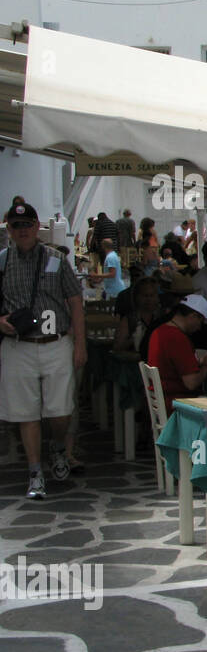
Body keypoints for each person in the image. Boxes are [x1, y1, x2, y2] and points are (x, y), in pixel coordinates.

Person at [0, 199, 87, 498]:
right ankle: (35, 471)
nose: (22, 230)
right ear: (9, 229)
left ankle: (58, 446)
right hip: (19, 345)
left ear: (38, 227)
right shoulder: (2, 262)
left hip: (56, 342)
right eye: (16, 225)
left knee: (60, 410)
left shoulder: (55, 259)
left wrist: (80, 343)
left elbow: (75, 300)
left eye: (27, 225)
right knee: (27, 413)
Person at [146, 293, 207, 415]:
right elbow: (191, 383)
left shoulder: (159, 331)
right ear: (193, 316)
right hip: (177, 403)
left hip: (163, 399)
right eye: (201, 322)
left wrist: (200, 362)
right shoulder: (177, 338)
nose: (199, 328)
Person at [113, 275, 162, 358]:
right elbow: (117, 347)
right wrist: (134, 339)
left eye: (152, 295)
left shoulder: (161, 318)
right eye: (145, 295)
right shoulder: (129, 320)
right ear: (137, 297)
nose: (148, 299)